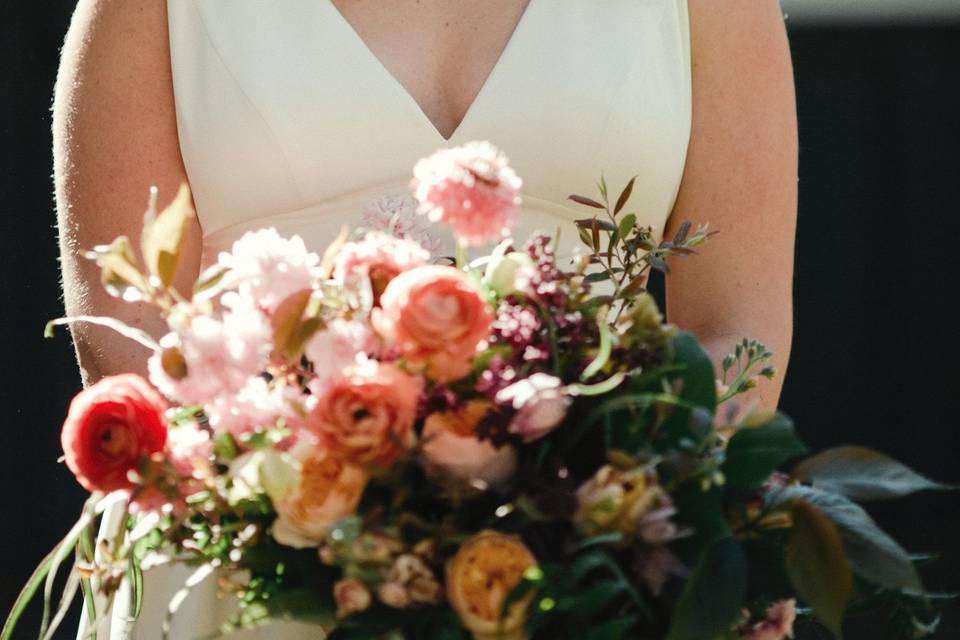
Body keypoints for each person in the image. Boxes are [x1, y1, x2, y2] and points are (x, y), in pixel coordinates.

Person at [53, 1, 797, 637]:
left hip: (600, 574)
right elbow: (132, 352)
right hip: (260, 571)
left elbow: (738, 330)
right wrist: (352, 511)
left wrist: (595, 498)